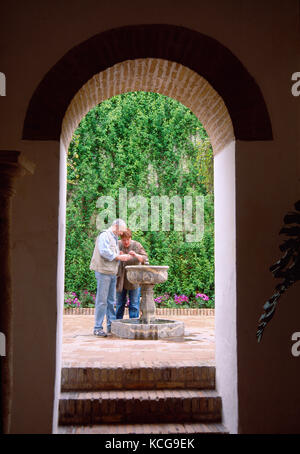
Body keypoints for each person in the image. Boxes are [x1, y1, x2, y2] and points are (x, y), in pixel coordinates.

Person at [90, 219, 132, 337]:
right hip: (103, 271)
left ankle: (111, 326)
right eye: (121, 231)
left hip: (112, 272)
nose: (121, 234)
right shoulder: (105, 235)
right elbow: (104, 251)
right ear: (116, 226)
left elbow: (112, 251)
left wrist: (120, 255)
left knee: (111, 301)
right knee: (102, 300)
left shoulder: (113, 237)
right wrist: (118, 257)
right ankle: (97, 327)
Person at [116, 229, 148, 319]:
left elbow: (145, 258)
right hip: (120, 278)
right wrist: (117, 255)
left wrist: (136, 255)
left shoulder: (137, 245)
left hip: (134, 279)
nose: (125, 242)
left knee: (134, 304)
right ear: (121, 239)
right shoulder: (117, 244)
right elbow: (110, 257)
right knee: (119, 304)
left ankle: (133, 325)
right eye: (123, 240)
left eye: (127, 239)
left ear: (131, 238)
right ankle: (117, 325)